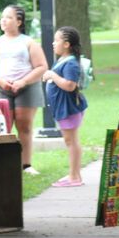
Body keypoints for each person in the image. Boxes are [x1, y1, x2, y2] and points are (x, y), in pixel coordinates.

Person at [0, 5, 48, 174]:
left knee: (24, 125)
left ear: (19, 21)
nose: (3, 20)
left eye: (8, 17)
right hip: (2, 88)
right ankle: (4, 164)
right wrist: (0, 82)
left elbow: (41, 66)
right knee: (3, 127)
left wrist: (22, 82)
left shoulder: (28, 42)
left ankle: (26, 165)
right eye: (2, 17)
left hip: (27, 87)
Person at [41, 26, 88, 188]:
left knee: (71, 141)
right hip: (64, 108)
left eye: (57, 40)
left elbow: (70, 85)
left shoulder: (71, 64)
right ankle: (74, 174)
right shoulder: (63, 60)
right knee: (71, 141)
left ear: (66, 44)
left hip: (68, 108)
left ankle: (74, 177)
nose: (53, 43)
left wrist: (52, 75)